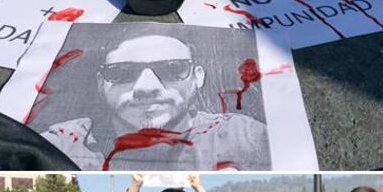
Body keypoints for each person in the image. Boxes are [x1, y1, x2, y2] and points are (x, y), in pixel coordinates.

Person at [38, 35, 270, 170]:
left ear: (198, 76)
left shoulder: (245, 137)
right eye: (122, 72)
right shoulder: (64, 143)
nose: (147, 87)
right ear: (101, 83)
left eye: (172, 69)